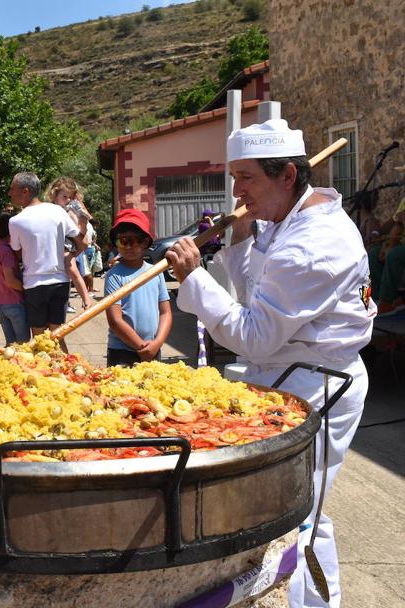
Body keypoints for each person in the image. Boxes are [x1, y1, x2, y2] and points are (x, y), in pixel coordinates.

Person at [165, 119, 375, 608]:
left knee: (299, 511)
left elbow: (256, 335)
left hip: (318, 384)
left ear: (287, 176)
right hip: (286, 374)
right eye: (235, 177)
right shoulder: (286, 217)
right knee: (282, 508)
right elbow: (259, 283)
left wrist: (195, 277)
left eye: (246, 178)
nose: (236, 190)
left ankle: (317, 604)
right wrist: (240, 237)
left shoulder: (314, 244)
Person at [8, 172, 82, 345]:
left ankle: (44, 371)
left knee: (40, 339)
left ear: (25, 191)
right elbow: (81, 240)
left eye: (13, 189)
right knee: (57, 337)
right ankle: (67, 370)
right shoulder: (57, 210)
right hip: (60, 282)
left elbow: (17, 252)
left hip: (34, 284)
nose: (10, 193)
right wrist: (71, 256)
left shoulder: (16, 221)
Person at [104, 209, 171, 366]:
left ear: (145, 242)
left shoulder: (155, 272)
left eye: (133, 241)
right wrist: (141, 347)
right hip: (121, 351)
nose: (128, 247)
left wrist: (157, 343)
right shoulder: (114, 276)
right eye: (122, 241)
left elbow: (165, 312)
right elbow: (115, 320)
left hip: (153, 348)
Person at [47, 177, 92, 312]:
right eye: (64, 196)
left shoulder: (70, 211)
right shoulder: (49, 209)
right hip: (52, 244)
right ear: (54, 195)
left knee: (72, 269)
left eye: (70, 197)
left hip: (66, 244)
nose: (67, 200)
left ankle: (86, 298)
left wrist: (83, 223)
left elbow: (80, 233)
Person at [0, 212, 28, 345]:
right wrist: (26, 289)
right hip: (14, 302)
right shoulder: (6, 251)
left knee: (11, 345)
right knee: (23, 345)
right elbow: (10, 280)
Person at [367, 196, 405, 315]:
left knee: (394, 255)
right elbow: (393, 220)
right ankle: (376, 299)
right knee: (373, 253)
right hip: (400, 243)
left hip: (400, 247)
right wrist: (376, 233)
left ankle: (387, 302)